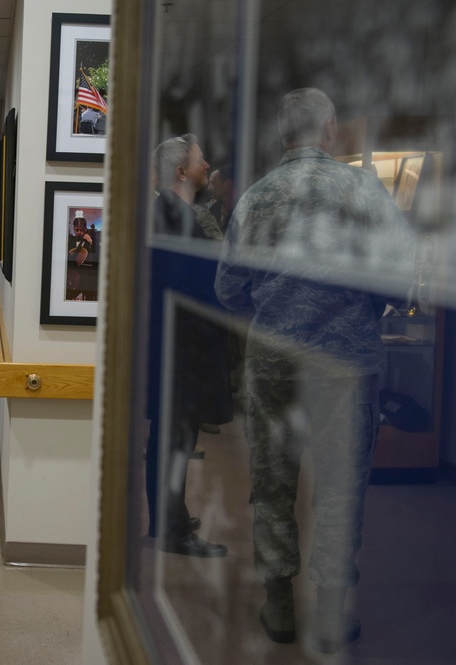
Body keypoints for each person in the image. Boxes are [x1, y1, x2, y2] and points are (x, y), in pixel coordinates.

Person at [215, 88, 415, 652]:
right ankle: (330, 610)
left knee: (273, 482)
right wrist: (362, 308)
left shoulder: (256, 197)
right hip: (346, 364)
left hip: (274, 360)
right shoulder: (364, 191)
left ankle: (279, 607)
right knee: (340, 485)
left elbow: (228, 287)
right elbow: (400, 278)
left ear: (284, 134)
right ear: (329, 129)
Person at [145, 134, 231, 560]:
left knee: (172, 439)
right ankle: (171, 530)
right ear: (181, 172)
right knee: (175, 442)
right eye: (200, 159)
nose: (207, 163)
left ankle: (168, 516)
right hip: (181, 352)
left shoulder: (173, 212)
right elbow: (188, 292)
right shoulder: (173, 216)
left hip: (177, 350)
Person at [207, 163, 236, 234]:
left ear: (227, 184)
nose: (208, 188)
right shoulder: (211, 210)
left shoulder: (241, 209)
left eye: (213, 183)